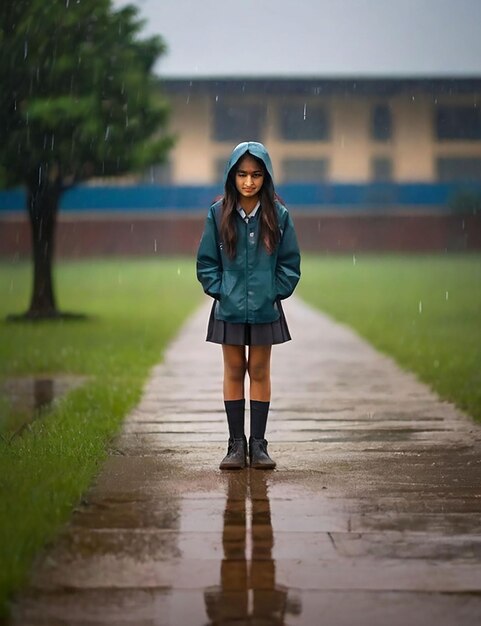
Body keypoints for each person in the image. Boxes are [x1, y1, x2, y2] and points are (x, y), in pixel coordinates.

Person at [196, 141, 301, 470]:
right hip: (228, 308)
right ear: (232, 176)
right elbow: (206, 263)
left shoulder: (278, 215)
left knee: (258, 371)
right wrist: (222, 290)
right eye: (242, 174)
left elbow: (290, 263)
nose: (249, 182)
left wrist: (273, 290)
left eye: (256, 175)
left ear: (265, 177)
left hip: (264, 309)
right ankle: (235, 446)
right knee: (233, 371)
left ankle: (259, 446)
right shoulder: (217, 214)